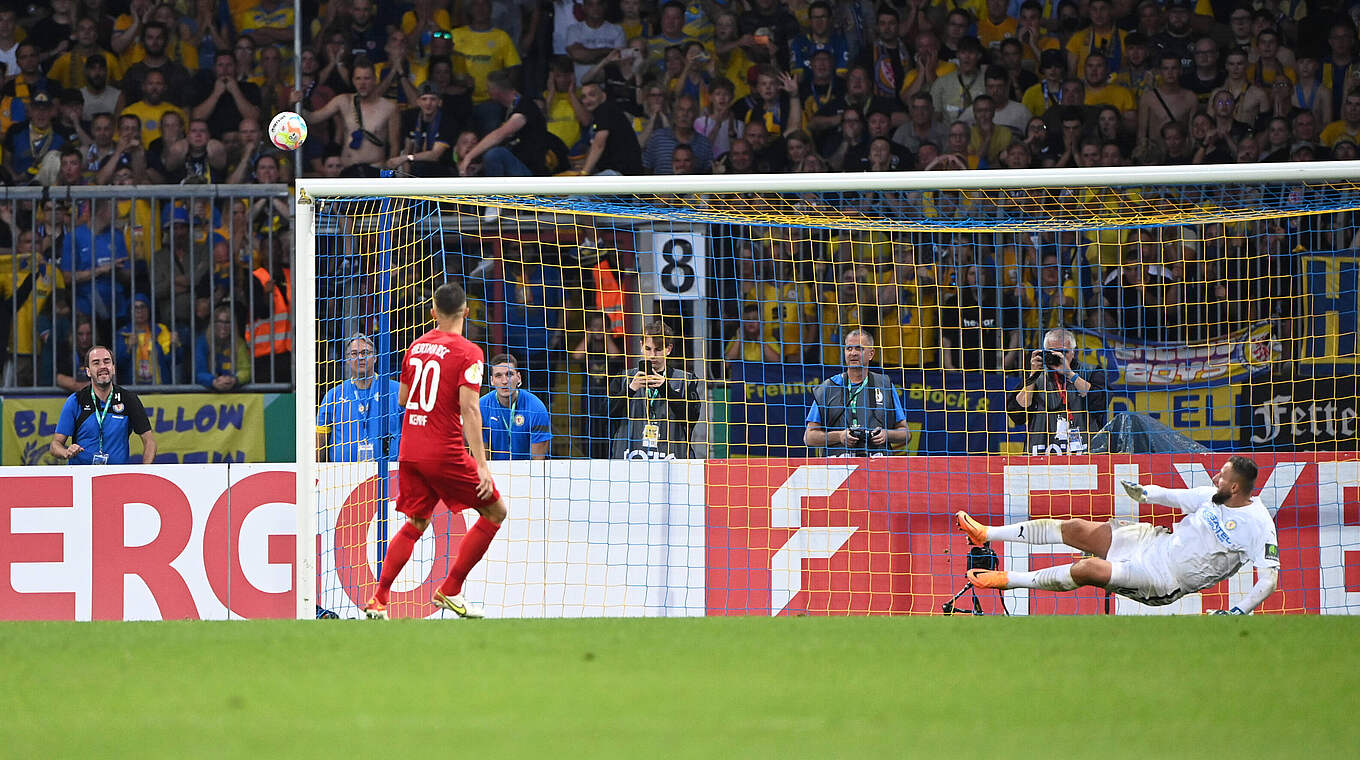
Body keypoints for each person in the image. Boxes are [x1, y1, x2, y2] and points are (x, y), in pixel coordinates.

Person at [956, 456, 1280, 614]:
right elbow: (1172, 495)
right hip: (1152, 541)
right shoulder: (1213, 496)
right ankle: (987, 532)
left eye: (1221, 476)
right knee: (1075, 528)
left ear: (1235, 487)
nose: (1215, 477)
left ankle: (1005, 579)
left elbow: (1268, 579)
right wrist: (1144, 493)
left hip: (1162, 578)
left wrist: (1238, 612)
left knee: (1087, 569)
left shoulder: (1258, 525)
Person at [363, 283, 506, 620]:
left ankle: (379, 600)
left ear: (433, 312)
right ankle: (450, 590)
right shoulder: (469, 353)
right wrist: (482, 466)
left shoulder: (415, 347)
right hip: (444, 451)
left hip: (410, 447)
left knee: (417, 520)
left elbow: (402, 399)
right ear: (466, 311)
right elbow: (470, 409)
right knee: (495, 512)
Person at [804, 329, 908, 457]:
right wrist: (840, 436)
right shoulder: (828, 387)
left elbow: (906, 433)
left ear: (871, 354)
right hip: (838, 468)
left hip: (877, 465)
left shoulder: (885, 385)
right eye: (849, 349)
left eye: (859, 349)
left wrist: (887, 434)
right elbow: (809, 437)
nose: (853, 353)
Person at [48, 345, 156, 465]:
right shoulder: (75, 401)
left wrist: (145, 473)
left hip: (117, 478)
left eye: (107, 361)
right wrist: (66, 452)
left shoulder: (128, 399)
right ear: (88, 371)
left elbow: (149, 441)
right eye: (96, 363)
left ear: (113, 368)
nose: (103, 366)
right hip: (82, 478)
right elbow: (55, 445)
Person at [611, 320, 702, 460]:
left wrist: (666, 389)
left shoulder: (685, 380)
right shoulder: (623, 378)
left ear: (668, 349)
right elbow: (604, 415)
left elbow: (692, 417)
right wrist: (630, 390)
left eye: (658, 349)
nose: (652, 355)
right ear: (641, 346)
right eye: (648, 349)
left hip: (672, 460)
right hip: (629, 459)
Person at [1008, 327, 1107, 455]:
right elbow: (1017, 415)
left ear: (1073, 352)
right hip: (1042, 454)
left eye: (1063, 352)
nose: (1058, 356)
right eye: (1052, 352)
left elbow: (1100, 403)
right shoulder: (1035, 378)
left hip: (1085, 455)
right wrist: (1032, 375)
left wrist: (1070, 374)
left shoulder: (1092, 372)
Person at [317, 334, 403, 463]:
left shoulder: (396, 391)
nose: (360, 358)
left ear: (375, 357)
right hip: (342, 478)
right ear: (347, 359)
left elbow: (412, 434)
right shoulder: (333, 395)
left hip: (388, 476)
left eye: (365, 352)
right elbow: (320, 441)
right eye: (354, 354)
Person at [479, 353, 552, 460]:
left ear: (518, 377)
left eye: (509, 374)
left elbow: (538, 463)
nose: (504, 381)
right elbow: (483, 461)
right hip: (493, 472)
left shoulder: (536, 408)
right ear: (492, 381)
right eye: (498, 376)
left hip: (528, 473)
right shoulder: (481, 407)